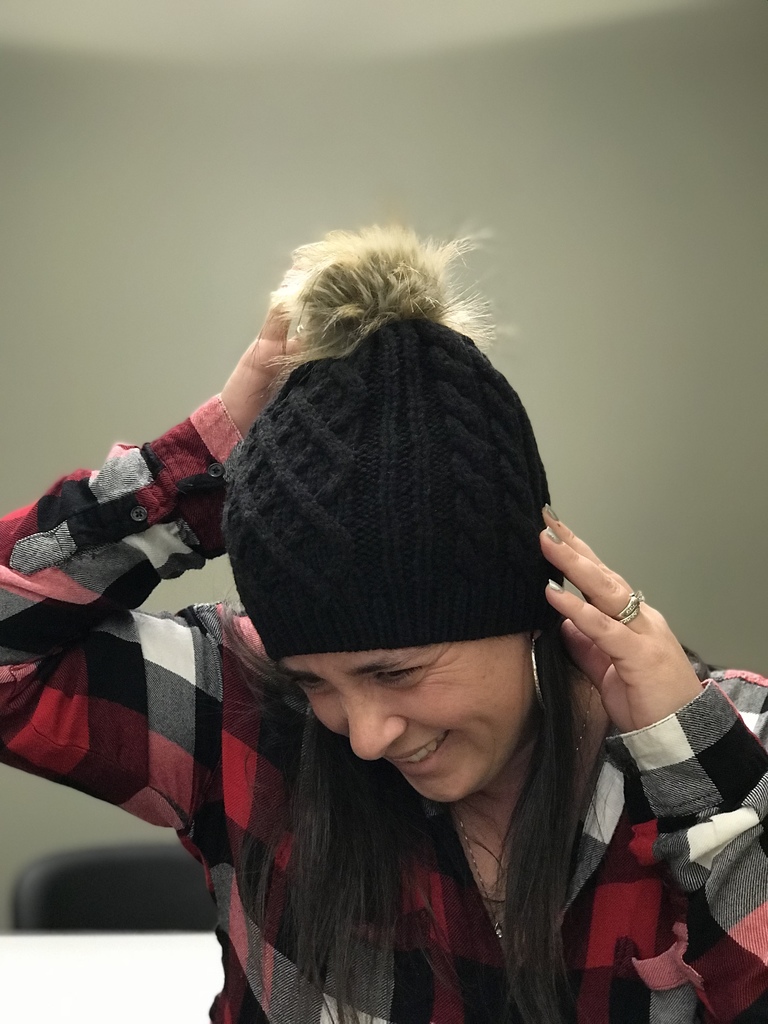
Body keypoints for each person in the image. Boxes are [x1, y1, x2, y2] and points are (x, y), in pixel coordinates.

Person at [1, 225, 767, 1024]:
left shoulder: (741, 745)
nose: (365, 736)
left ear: (530, 605)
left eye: (394, 672)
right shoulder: (234, 704)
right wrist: (202, 465)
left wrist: (702, 781)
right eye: (314, 682)